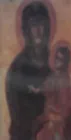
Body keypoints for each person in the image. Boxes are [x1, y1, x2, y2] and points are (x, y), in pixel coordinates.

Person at [5, 2, 51, 140]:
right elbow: (18, 116)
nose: (38, 30)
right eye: (33, 25)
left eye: (41, 24)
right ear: (26, 29)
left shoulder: (56, 62)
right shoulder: (18, 68)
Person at [36, 46, 71, 140]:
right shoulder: (53, 76)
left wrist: (54, 115)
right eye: (57, 58)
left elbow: (66, 104)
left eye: (61, 59)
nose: (58, 61)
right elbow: (45, 88)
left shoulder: (64, 79)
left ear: (65, 62)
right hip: (50, 114)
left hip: (59, 118)